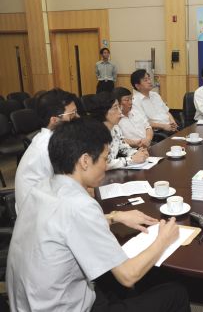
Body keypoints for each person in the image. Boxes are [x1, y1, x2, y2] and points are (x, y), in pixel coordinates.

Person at [7, 118, 190, 311]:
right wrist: (163, 239)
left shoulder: (42, 188)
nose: (106, 164)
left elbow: (63, 225)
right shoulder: (80, 205)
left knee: (113, 282)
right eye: (105, 158)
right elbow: (128, 276)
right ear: (85, 161)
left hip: (29, 303)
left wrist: (114, 216)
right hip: (63, 306)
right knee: (175, 292)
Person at [14, 88, 79, 214]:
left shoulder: (53, 138)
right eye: (72, 114)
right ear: (54, 120)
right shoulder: (48, 146)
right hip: (36, 214)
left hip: (48, 202)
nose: (77, 117)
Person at [87, 91, 148, 170]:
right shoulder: (94, 134)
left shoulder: (115, 128)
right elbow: (103, 164)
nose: (120, 112)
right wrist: (130, 160)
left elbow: (123, 147)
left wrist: (138, 153)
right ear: (103, 111)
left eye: (119, 107)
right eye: (115, 108)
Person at [131, 69, 178, 135]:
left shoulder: (155, 95)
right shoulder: (135, 101)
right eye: (145, 80)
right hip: (159, 131)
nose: (149, 82)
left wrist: (173, 122)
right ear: (137, 86)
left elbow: (166, 111)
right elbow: (144, 123)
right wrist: (164, 126)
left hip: (170, 125)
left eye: (149, 79)